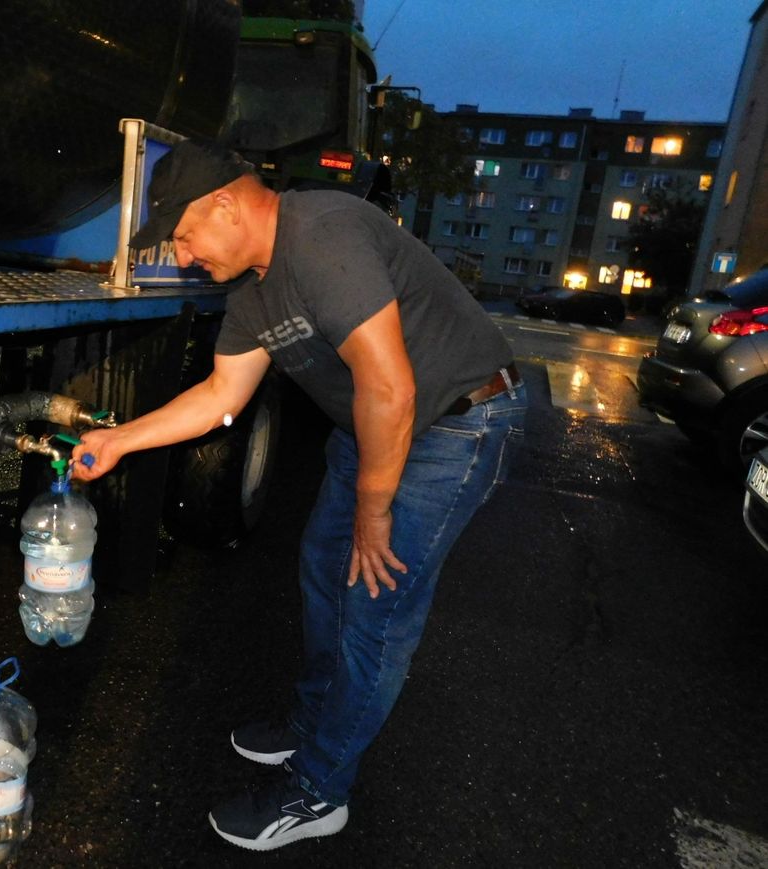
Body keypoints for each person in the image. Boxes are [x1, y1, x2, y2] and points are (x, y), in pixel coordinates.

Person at [71, 139, 527, 852]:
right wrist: (122, 438)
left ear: (223, 204)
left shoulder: (322, 235)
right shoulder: (253, 289)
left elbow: (391, 387)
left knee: (374, 614)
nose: (184, 256)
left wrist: (374, 512)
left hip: (451, 424)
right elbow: (223, 394)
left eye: (183, 237)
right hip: (373, 426)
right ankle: (315, 726)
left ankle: (320, 789)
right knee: (323, 567)